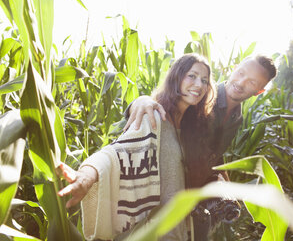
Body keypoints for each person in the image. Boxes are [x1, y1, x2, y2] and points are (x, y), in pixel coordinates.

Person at [57, 53, 216, 241]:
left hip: (179, 231)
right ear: (177, 77)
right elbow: (117, 152)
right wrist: (87, 175)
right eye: (192, 76)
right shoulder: (155, 117)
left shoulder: (192, 129)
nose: (199, 85)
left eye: (205, 80)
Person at [124, 55, 277, 190]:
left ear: (259, 91)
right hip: (162, 188)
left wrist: (228, 186)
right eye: (241, 73)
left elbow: (215, 154)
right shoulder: (198, 96)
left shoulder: (237, 119)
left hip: (193, 197)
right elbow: (163, 103)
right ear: (234, 68)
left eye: (252, 82)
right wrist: (140, 101)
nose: (241, 83)